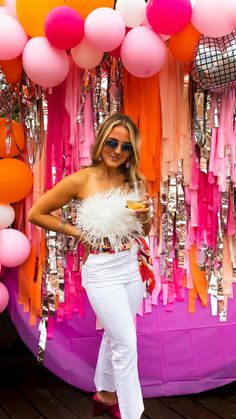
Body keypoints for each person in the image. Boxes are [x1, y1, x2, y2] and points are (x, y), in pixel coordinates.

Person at [28, 113, 153, 419]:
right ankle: (132, 413)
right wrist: (79, 233)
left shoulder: (134, 180)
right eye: (112, 142)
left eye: (125, 146)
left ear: (131, 152)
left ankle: (106, 395)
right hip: (102, 270)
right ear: (101, 142)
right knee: (125, 341)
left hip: (133, 265)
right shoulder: (82, 179)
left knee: (116, 335)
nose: (117, 150)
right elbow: (37, 213)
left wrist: (146, 217)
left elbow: (145, 231)